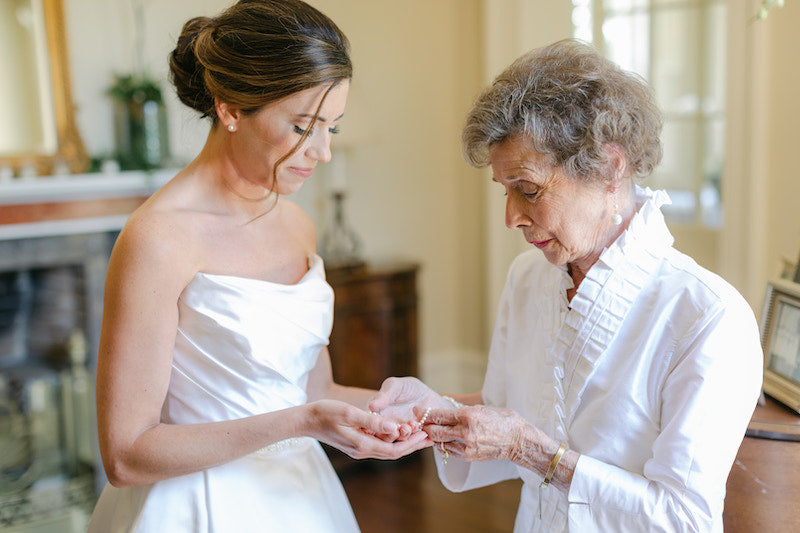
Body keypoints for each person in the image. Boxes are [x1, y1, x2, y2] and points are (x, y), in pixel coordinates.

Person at [369, 39, 763, 532]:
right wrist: (434, 407)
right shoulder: (527, 279)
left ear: (608, 166)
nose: (511, 217)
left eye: (528, 190)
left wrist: (531, 451)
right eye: (506, 191)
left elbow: (683, 518)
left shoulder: (707, 316)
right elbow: (505, 409)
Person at [87, 1, 427, 531]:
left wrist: (441, 409)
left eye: (331, 129)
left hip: (301, 496)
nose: (322, 152)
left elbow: (316, 394)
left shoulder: (297, 227)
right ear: (231, 109)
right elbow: (126, 456)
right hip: (198, 506)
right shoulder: (157, 238)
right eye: (302, 127)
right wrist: (302, 421)